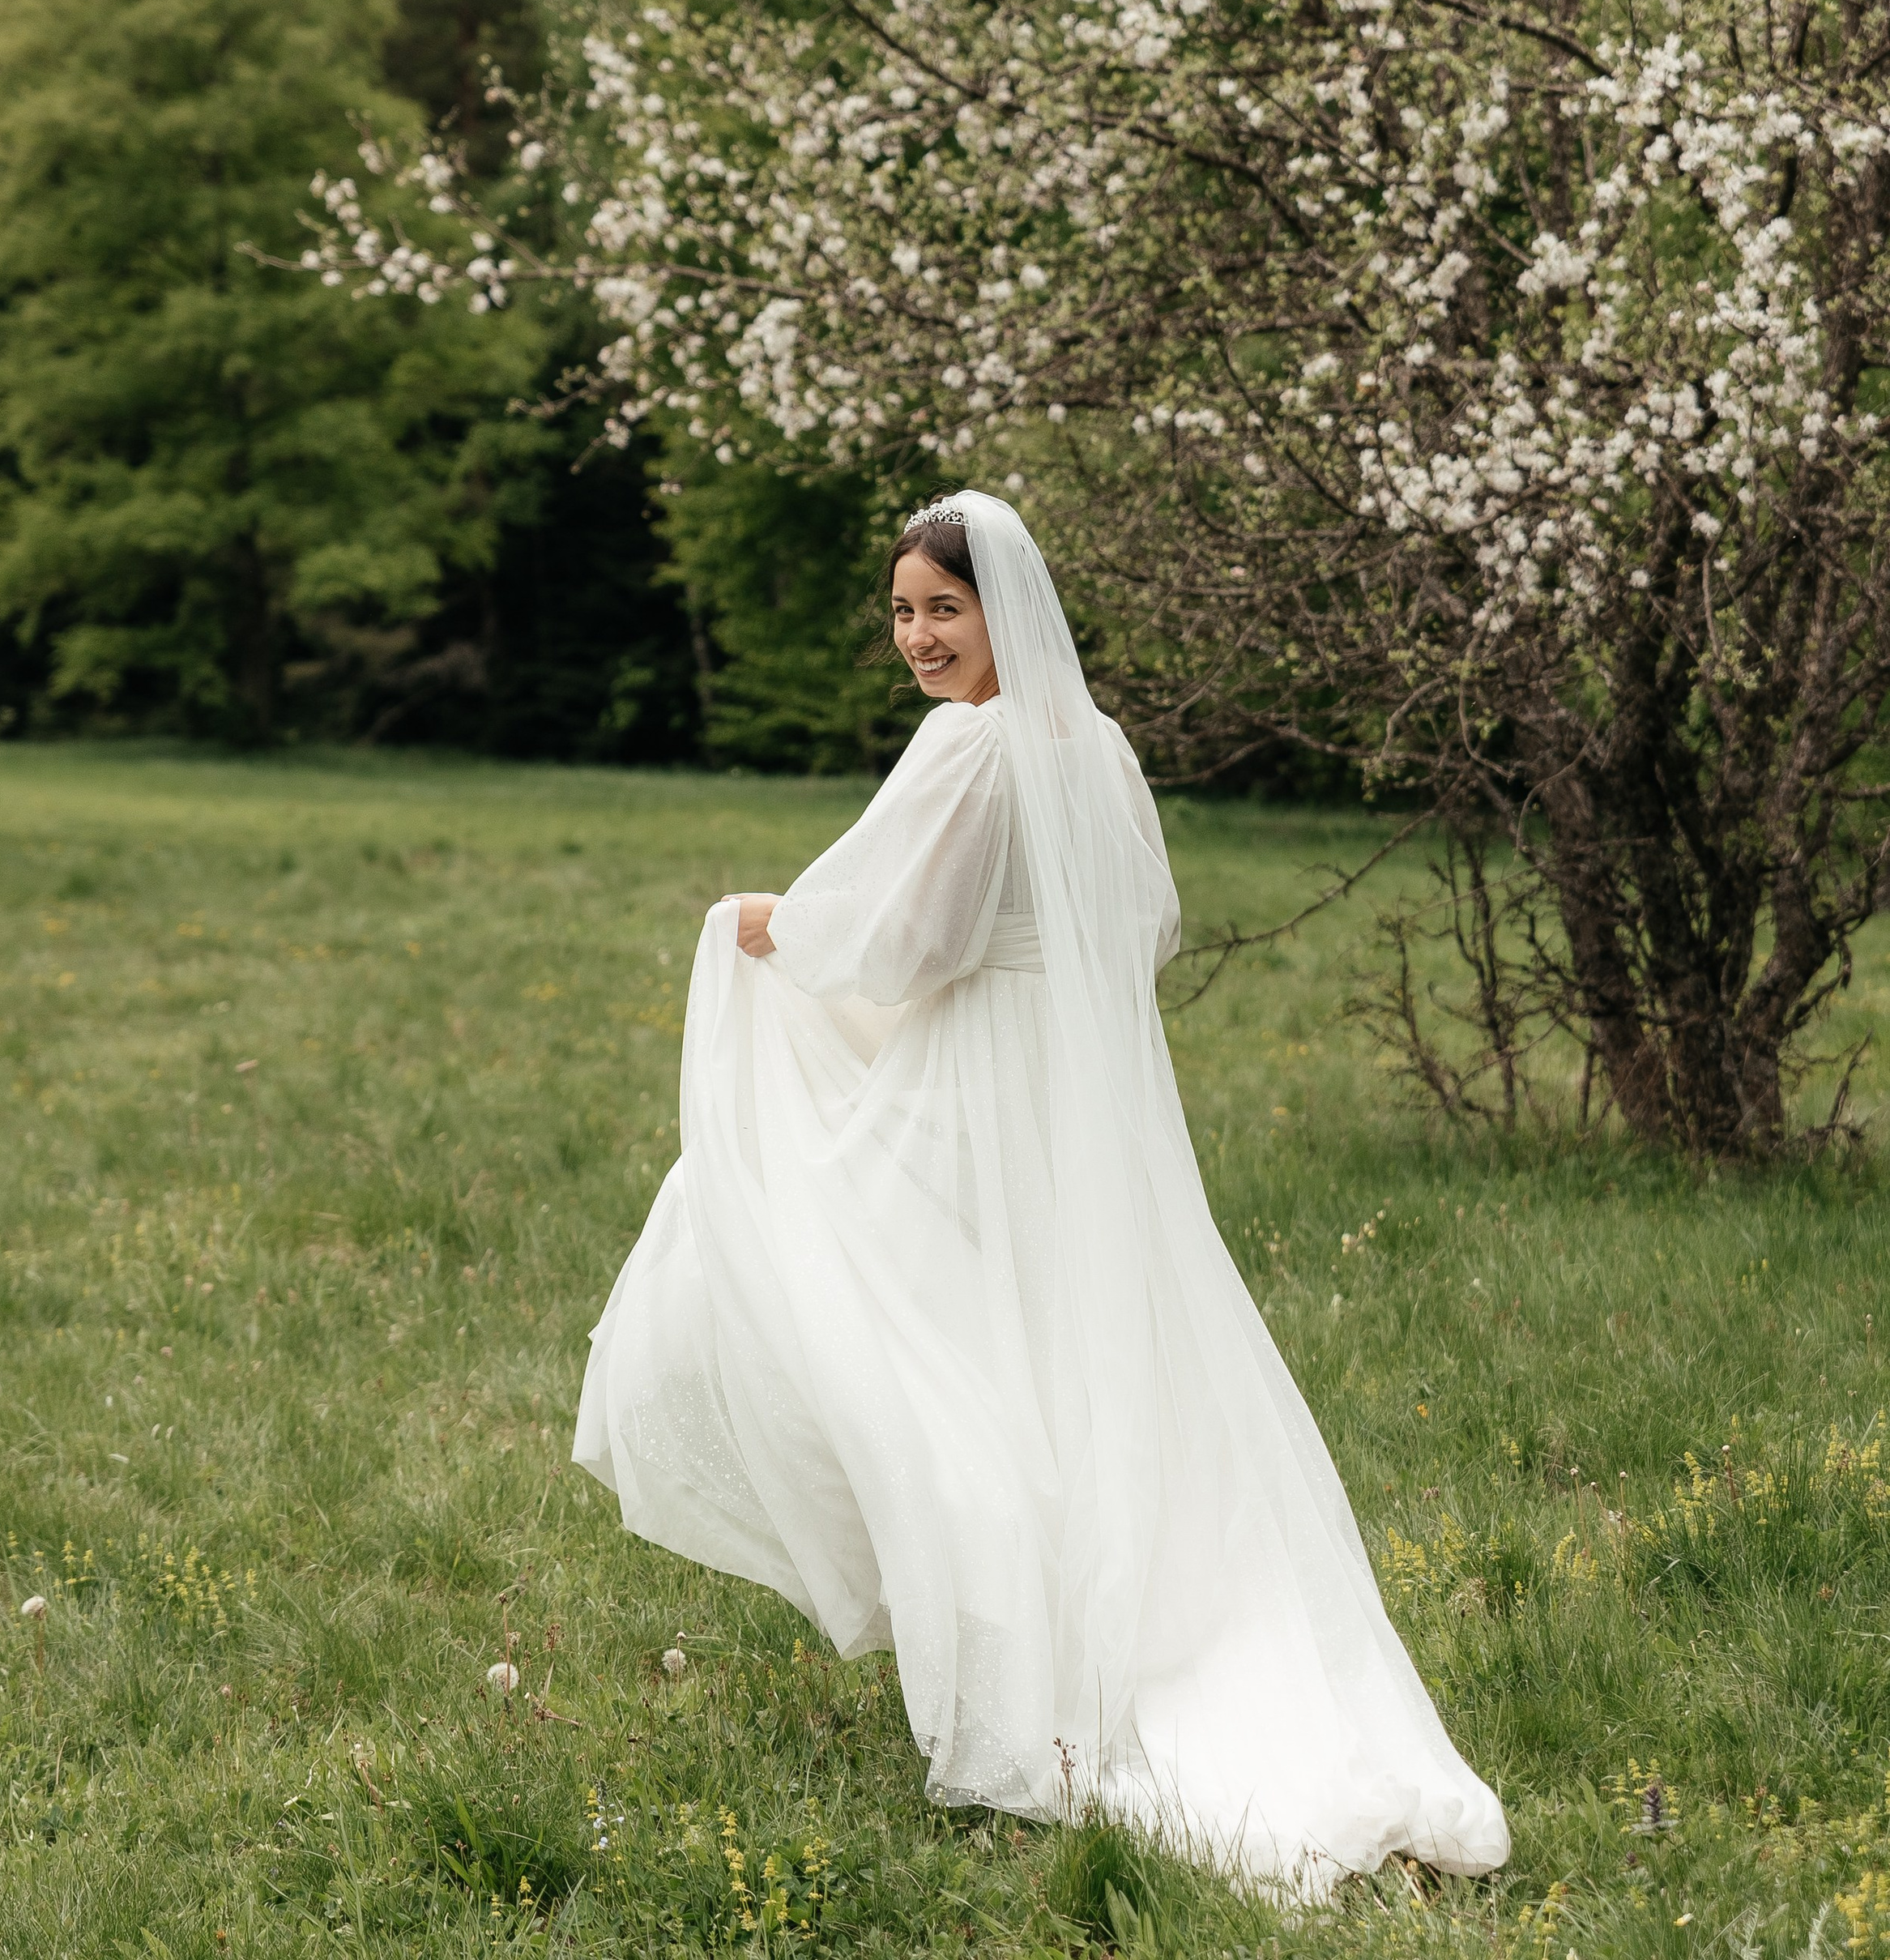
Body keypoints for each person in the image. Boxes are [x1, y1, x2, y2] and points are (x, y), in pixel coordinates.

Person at [574, 491, 1510, 1898]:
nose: (917, 637)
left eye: (942, 608)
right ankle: (1090, 1630)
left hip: (977, 1089)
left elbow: (904, 937)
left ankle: (1021, 1648)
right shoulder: (1101, 745)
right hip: (1084, 1102)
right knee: (1076, 1361)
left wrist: (765, 925)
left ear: (1003, 611)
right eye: (901, 612)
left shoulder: (974, 746)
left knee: (862, 1303)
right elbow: (1147, 922)